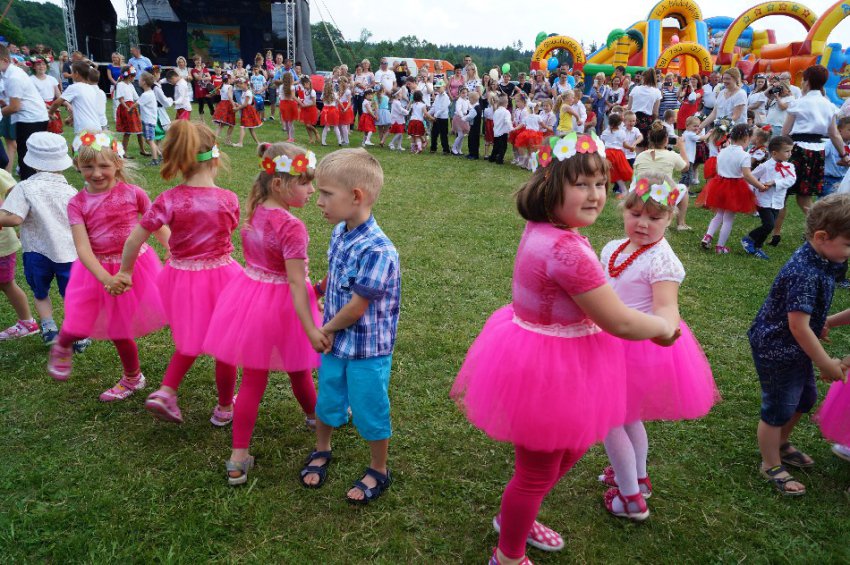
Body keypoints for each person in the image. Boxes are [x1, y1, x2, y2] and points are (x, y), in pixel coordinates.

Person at [451, 132, 677, 564]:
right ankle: (509, 554)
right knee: (535, 473)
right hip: (548, 369)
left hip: (553, 356)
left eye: (600, 184)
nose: (595, 195)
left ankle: (516, 517)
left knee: (570, 446)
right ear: (551, 185)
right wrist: (664, 326)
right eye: (581, 185)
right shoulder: (567, 250)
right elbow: (619, 320)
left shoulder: (548, 229)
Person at [598, 173, 717, 521]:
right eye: (635, 214)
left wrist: (667, 329)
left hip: (638, 346)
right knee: (627, 416)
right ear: (623, 210)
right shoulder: (613, 248)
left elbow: (666, 307)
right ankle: (637, 476)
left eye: (655, 217)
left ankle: (631, 498)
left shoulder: (662, 261)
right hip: (608, 341)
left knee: (610, 419)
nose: (643, 224)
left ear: (670, 217)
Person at [204, 142, 322, 485]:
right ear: (280, 184)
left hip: (251, 299)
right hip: (284, 306)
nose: (312, 190)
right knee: (298, 368)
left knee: (253, 381)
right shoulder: (292, 226)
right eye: (305, 182)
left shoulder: (255, 212)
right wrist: (311, 321)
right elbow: (295, 282)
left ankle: (238, 457)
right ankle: (315, 417)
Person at [117, 120, 242, 424]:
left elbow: (134, 239)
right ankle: (225, 408)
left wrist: (125, 272)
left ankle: (166, 392)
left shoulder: (168, 199)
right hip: (222, 277)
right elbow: (230, 229)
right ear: (215, 156)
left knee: (189, 339)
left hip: (181, 278)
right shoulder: (229, 199)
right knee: (225, 345)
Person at [299, 148, 401, 506]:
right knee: (328, 397)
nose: (319, 201)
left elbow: (357, 308)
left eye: (326, 194)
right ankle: (322, 447)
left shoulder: (379, 251)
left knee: (370, 406)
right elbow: (338, 274)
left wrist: (325, 329)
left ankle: (379, 468)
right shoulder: (340, 232)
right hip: (336, 344)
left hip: (365, 350)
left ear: (356, 196)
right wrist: (321, 290)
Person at [47, 130, 167, 397]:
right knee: (77, 322)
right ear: (77, 166)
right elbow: (82, 248)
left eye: (104, 165)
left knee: (119, 328)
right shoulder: (77, 203)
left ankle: (133, 377)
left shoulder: (134, 194)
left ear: (117, 164)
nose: (97, 173)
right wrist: (106, 279)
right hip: (96, 270)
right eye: (88, 167)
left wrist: (174, 250)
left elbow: (156, 226)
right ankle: (63, 343)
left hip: (134, 267)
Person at [749, 194, 850, 496]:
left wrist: (825, 321)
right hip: (778, 347)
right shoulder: (805, 272)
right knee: (778, 407)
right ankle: (770, 463)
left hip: (796, 347)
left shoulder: (825, 258)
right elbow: (797, 326)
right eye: (848, 244)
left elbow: (806, 321)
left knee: (805, 398)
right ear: (822, 237)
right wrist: (825, 362)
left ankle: (780, 443)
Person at [0, 133, 78, 346]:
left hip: (37, 251)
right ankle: (77, 332)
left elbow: (15, 218)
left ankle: (49, 327)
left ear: (32, 162)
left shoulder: (25, 187)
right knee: (71, 294)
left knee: (40, 292)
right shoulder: (71, 191)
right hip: (68, 252)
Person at [699, 123, 767, 254]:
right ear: (746, 139)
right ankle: (720, 247)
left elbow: (718, 169)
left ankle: (708, 236)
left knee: (719, 214)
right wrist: (760, 186)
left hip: (719, 184)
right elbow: (747, 175)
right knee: (728, 218)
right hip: (734, 187)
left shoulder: (723, 151)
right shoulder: (744, 155)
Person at [741, 136, 796, 260]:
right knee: (769, 225)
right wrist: (757, 187)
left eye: (790, 151)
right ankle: (748, 239)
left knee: (769, 225)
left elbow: (791, 180)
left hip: (777, 201)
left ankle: (757, 247)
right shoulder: (764, 166)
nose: (790, 154)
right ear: (775, 153)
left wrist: (775, 182)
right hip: (763, 201)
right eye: (787, 151)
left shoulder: (789, 166)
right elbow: (751, 177)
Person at [0, 45, 50, 180]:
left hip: (31, 119)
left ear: (4, 60)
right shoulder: (8, 73)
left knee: (27, 160)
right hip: (31, 117)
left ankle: (30, 186)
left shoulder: (14, 77)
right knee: (29, 157)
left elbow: (15, 107)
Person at [0, 168, 39, 340]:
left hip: (2, 245)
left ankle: (27, 322)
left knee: (6, 284)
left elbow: (20, 196)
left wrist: (12, 216)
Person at [633, 121, 692, 230]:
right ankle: (681, 224)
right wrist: (682, 147)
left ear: (650, 139)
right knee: (683, 188)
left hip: (639, 196)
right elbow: (686, 167)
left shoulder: (640, 156)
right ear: (666, 139)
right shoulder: (672, 155)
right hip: (661, 198)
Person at [114, 66, 148, 158]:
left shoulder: (131, 85)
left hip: (132, 107)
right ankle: (123, 152)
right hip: (126, 108)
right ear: (129, 76)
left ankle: (142, 150)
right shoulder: (120, 85)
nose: (135, 78)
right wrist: (127, 108)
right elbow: (121, 99)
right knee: (127, 131)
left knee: (139, 129)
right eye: (134, 76)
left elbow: (137, 98)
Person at [600, 113, 634, 194]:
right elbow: (624, 145)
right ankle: (633, 186)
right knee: (626, 170)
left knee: (614, 173)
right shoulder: (622, 132)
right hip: (618, 154)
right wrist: (631, 148)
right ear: (619, 123)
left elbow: (602, 142)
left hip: (608, 153)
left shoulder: (606, 132)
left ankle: (623, 190)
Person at [29, 57, 63, 135]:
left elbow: (59, 96)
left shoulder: (52, 79)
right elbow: (35, 98)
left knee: (55, 132)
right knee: (43, 131)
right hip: (39, 106)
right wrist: (49, 107)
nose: (41, 66)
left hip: (53, 105)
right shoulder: (31, 80)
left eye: (43, 64)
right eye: (38, 64)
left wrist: (68, 105)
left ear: (47, 66)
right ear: (33, 67)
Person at [628, 69, 662, 149]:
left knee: (632, 144)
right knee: (646, 146)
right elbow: (655, 112)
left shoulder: (635, 89)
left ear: (643, 77)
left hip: (633, 119)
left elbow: (629, 107)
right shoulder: (657, 92)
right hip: (647, 121)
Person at [137, 73, 162, 166]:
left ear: (144, 82)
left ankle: (155, 160)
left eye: (140, 79)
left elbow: (136, 104)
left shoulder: (146, 94)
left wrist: (129, 109)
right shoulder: (149, 93)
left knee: (150, 140)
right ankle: (160, 155)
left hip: (149, 121)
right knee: (148, 140)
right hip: (147, 120)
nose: (138, 81)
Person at [823, 116, 850, 196]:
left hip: (843, 178)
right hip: (828, 179)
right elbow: (821, 157)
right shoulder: (829, 144)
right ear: (839, 131)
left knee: (842, 200)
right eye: (849, 130)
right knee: (827, 200)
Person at [213, 72, 237, 145]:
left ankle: (213, 140)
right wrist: (233, 105)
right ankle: (227, 141)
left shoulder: (222, 86)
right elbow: (229, 96)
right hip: (228, 105)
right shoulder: (230, 86)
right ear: (228, 79)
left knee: (221, 125)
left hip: (222, 104)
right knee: (231, 124)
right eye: (232, 78)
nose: (233, 80)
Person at [427, 80, 451, 155]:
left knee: (443, 135)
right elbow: (434, 106)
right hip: (436, 118)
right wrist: (428, 113)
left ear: (444, 87)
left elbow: (443, 108)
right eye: (437, 87)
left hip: (443, 119)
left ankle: (446, 150)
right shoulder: (437, 96)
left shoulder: (446, 97)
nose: (437, 89)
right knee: (434, 133)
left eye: (439, 87)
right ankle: (433, 148)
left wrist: (435, 115)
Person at [488, 94, 511, 165]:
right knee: (503, 147)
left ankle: (492, 158)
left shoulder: (496, 111)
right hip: (503, 132)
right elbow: (508, 121)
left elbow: (494, 120)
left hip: (496, 132)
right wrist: (511, 128)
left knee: (496, 146)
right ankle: (499, 159)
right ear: (506, 103)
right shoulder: (506, 112)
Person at [297, 75, 319, 144]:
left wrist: (305, 105)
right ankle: (311, 138)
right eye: (303, 84)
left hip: (311, 109)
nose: (304, 86)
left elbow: (314, 103)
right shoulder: (304, 91)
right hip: (305, 109)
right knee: (306, 125)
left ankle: (315, 131)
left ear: (309, 83)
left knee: (309, 125)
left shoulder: (312, 91)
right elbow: (302, 98)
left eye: (306, 84)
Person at [319, 80, 342, 147]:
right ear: (332, 87)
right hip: (333, 111)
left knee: (326, 127)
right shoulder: (334, 94)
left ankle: (323, 142)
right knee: (336, 126)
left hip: (325, 110)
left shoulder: (323, 94)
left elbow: (322, 100)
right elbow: (338, 101)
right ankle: (339, 142)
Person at [466, 91, 483, 160]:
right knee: (471, 139)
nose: (469, 100)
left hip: (475, 126)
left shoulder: (476, 108)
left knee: (473, 140)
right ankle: (471, 153)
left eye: (469, 98)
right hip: (475, 126)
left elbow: (470, 117)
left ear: (473, 99)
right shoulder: (476, 106)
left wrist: (463, 118)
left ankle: (474, 154)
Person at [337, 76, 354, 146]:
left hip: (345, 107)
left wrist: (346, 108)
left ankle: (346, 141)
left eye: (340, 83)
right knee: (339, 125)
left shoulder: (347, 91)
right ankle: (342, 139)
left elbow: (349, 102)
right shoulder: (340, 91)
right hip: (339, 107)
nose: (339, 84)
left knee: (344, 125)